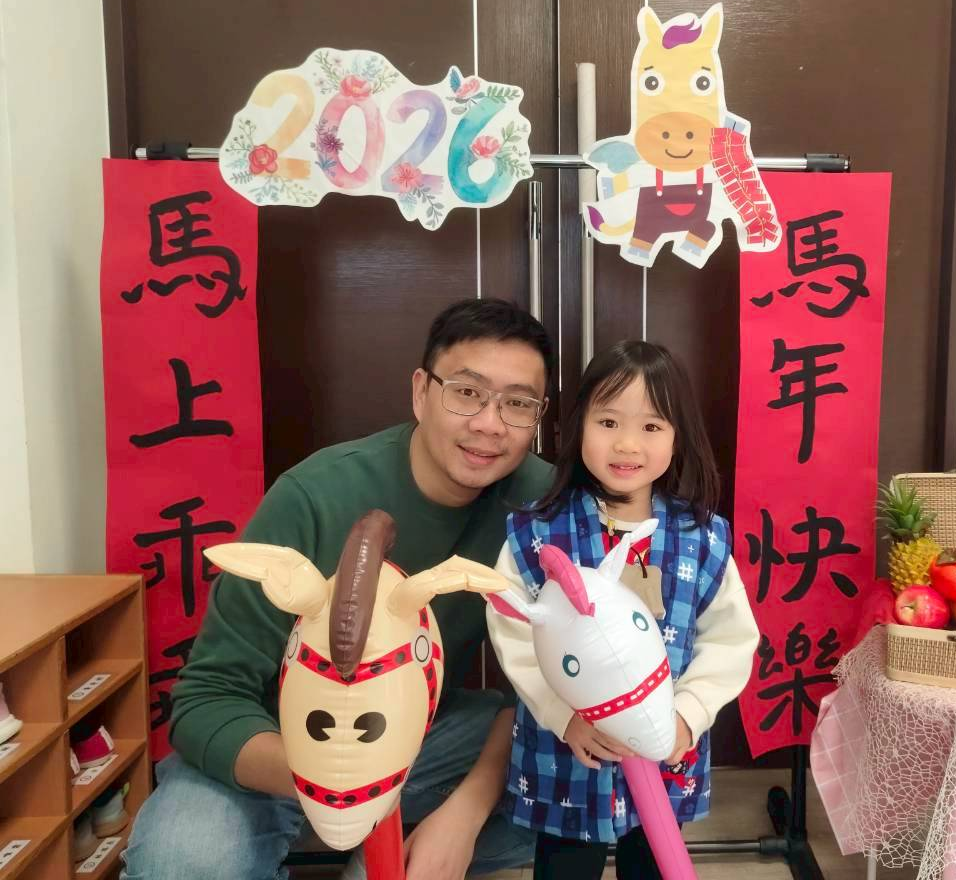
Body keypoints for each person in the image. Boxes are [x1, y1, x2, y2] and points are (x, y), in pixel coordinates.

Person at [122, 298, 555, 880]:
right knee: (181, 865)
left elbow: (550, 691)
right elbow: (205, 700)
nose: (489, 424)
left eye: (518, 404)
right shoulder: (314, 496)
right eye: (467, 392)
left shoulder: (543, 504)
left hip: (414, 739)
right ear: (421, 392)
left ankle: (382, 855)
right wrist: (333, 782)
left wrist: (465, 815)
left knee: (578, 792)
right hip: (274, 747)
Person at [486, 340, 759, 879]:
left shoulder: (702, 538)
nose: (627, 444)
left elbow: (730, 640)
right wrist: (564, 717)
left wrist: (688, 716)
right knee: (564, 868)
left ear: (678, 437)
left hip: (665, 750)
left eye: (652, 427)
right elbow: (514, 633)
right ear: (577, 426)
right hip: (569, 754)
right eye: (608, 422)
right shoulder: (538, 534)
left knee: (652, 862)